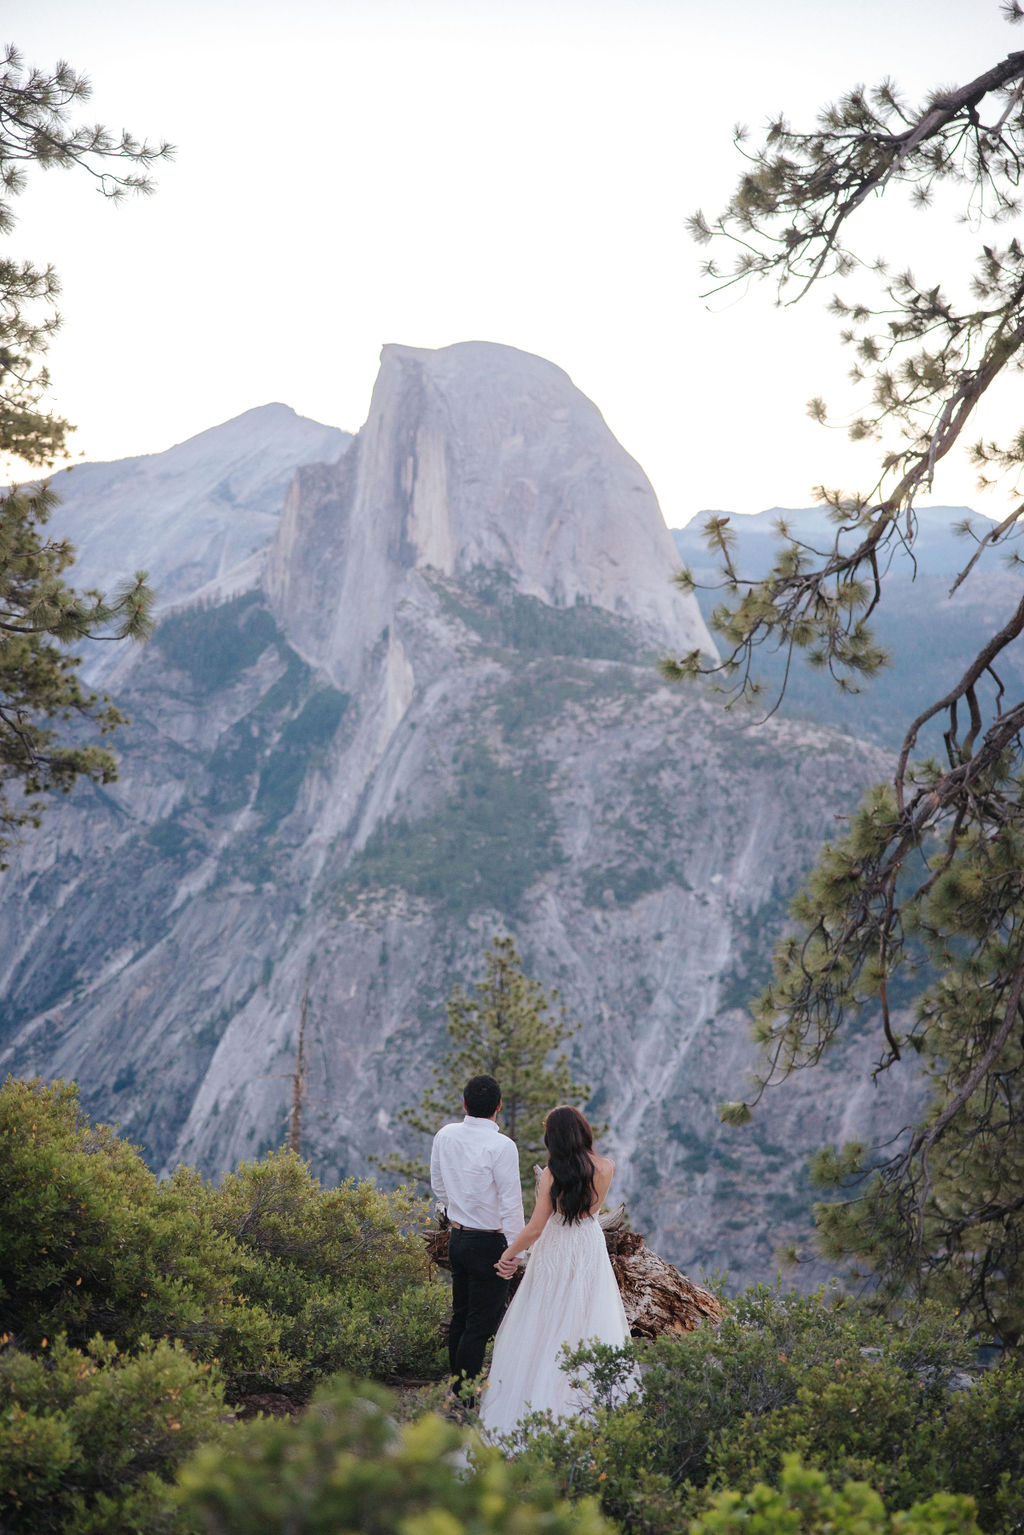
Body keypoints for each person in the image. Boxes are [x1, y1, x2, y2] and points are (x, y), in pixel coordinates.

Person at [478, 1104, 636, 1440]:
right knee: (586, 1316)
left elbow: (536, 1228)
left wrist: (508, 1254)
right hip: (589, 1245)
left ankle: (536, 1408)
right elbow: (585, 1212)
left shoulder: (552, 1174)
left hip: (557, 1245)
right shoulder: (607, 1167)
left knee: (544, 1318)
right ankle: (588, 1405)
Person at [430, 1073, 525, 1402]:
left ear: (464, 1104)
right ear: (498, 1106)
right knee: (479, 1326)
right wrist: (515, 1254)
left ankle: (457, 1390)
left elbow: (438, 1187)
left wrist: (452, 1210)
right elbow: (512, 1207)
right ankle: (465, 1397)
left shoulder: (445, 1136)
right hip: (491, 1243)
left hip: (458, 1238)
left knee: (461, 1316)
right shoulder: (502, 1147)